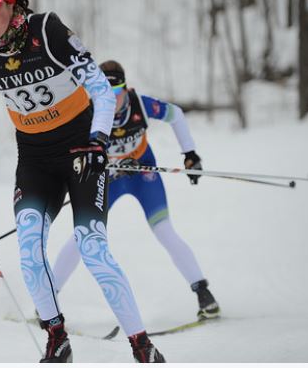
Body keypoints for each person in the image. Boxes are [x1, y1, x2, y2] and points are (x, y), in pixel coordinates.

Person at [0, 0, 165, 363]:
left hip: (80, 154)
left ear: (11, 3)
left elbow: (101, 91)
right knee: (28, 249)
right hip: (35, 161)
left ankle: (142, 344)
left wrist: (99, 141)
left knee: (92, 249)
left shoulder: (48, 30)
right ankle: (57, 336)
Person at [51, 60, 220, 320]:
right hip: (109, 179)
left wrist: (190, 154)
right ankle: (48, 299)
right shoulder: (88, 111)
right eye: (106, 93)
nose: (113, 100)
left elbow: (175, 114)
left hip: (144, 173)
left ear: (125, 89)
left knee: (164, 230)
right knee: (83, 236)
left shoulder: (139, 104)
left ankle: (203, 293)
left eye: (117, 93)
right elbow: (71, 152)